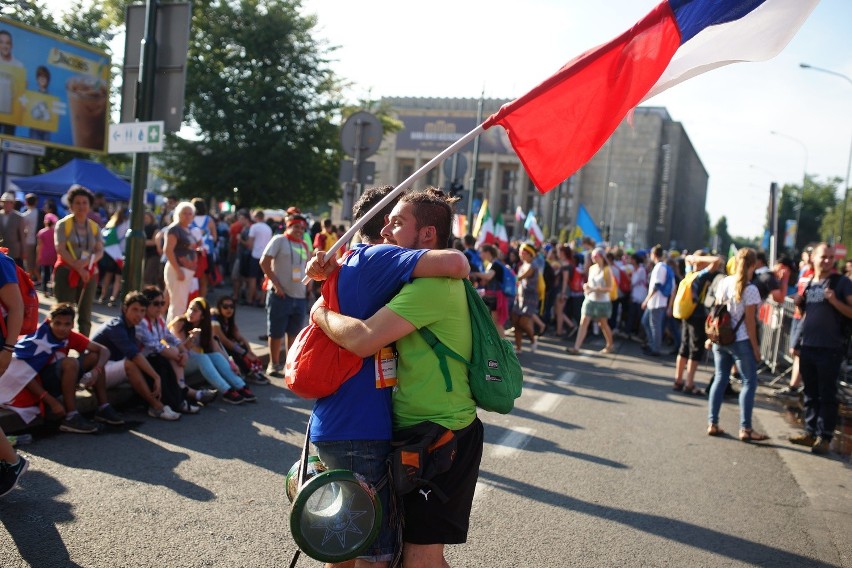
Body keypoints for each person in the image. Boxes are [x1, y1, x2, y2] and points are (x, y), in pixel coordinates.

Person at [313, 188, 482, 568]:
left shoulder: (430, 287)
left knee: (417, 558)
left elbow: (362, 339)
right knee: (378, 549)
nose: (385, 228)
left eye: (398, 221)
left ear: (426, 236)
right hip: (414, 432)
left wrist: (319, 311)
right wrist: (328, 267)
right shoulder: (409, 278)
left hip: (441, 434)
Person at [2, 303, 121, 434]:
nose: (62, 328)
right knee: (70, 363)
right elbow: (22, 374)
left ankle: (103, 407)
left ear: (72, 325)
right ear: (49, 321)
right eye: (57, 323)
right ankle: (71, 416)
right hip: (38, 384)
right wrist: (51, 401)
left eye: (67, 324)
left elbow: (104, 350)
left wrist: (96, 371)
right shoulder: (37, 340)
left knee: (94, 356)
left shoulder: (70, 336)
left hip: (57, 378)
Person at [788, 243, 852, 455]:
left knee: (827, 394)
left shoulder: (841, 283)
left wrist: (834, 301)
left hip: (830, 348)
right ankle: (810, 432)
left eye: (831, 257)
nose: (827, 261)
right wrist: (798, 303)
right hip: (809, 347)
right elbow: (807, 314)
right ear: (813, 258)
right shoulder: (811, 283)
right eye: (824, 257)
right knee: (810, 393)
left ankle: (824, 437)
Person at [706, 248, 769, 442]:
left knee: (720, 378)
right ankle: (746, 428)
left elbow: (716, 311)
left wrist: (710, 337)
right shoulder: (750, 289)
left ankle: (713, 423)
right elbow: (750, 323)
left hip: (721, 338)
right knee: (749, 382)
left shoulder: (724, 282)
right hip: (740, 341)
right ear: (753, 265)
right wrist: (756, 349)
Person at [91, 292, 182, 421]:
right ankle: (157, 406)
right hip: (96, 374)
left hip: (111, 368)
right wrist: (156, 377)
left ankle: (175, 400)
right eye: (134, 309)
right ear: (124, 309)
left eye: (142, 311)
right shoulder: (117, 326)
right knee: (132, 364)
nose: (138, 314)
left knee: (153, 360)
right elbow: (135, 355)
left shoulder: (131, 326)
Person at [137, 286, 216, 413]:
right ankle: (182, 397)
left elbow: (170, 337)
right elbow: (154, 346)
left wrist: (183, 352)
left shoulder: (158, 319)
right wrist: (180, 353)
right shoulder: (142, 322)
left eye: (162, 303)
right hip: (142, 360)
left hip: (156, 357)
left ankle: (233, 388)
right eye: (156, 304)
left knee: (178, 353)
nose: (160, 307)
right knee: (173, 356)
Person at [170, 296, 255, 405]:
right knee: (203, 358)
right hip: (177, 363)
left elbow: (217, 348)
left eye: (195, 310)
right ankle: (226, 390)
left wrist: (231, 363)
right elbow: (181, 350)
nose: (191, 312)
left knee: (216, 356)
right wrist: (191, 339)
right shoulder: (180, 323)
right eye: (190, 308)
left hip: (191, 361)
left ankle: (241, 386)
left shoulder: (206, 327)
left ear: (202, 316)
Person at [259, 212, 309, 377]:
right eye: (296, 226)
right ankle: (273, 364)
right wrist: (275, 284)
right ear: (289, 226)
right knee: (276, 332)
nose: (299, 230)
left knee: (294, 333)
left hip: (299, 296)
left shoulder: (303, 245)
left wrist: (309, 289)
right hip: (280, 295)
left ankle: (289, 365)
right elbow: (264, 262)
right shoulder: (279, 240)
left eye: (302, 228)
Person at [53, 185, 103, 336]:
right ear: (71, 205)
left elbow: (100, 250)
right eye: (77, 203)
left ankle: (83, 348)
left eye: (84, 202)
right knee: (64, 312)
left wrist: (86, 263)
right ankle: (59, 347)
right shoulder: (63, 224)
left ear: (90, 205)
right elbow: (60, 248)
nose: (81, 206)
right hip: (67, 271)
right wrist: (77, 267)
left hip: (89, 273)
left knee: (86, 313)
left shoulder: (94, 227)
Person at [672, 252, 721, 395]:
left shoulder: (690, 273)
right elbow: (717, 260)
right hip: (698, 315)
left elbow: (687, 259)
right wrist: (702, 259)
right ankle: (689, 383)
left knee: (684, 346)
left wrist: (694, 259)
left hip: (686, 313)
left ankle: (678, 380)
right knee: (695, 349)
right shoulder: (702, 275)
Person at [0, 249, 27, 496]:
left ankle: (13, 462)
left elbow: (16, 307)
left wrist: (8, 349)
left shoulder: (0, 261)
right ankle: (10, 461)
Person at [211, 295, 269, 385]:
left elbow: (239, 337)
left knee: (240, 345)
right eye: (225, 307)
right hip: (211, 349)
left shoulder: (229, 320)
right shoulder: (214, 320)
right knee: (235, 349)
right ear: (219, 307)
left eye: (231, 307)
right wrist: (244, 353)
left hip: (221, 348)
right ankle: (248, 373)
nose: (229, 309)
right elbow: (224, 341)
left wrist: (249, 351)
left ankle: (250, 371)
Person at [567, 247, 615, 354]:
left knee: (602, 324)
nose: (593, 258)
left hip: (602, 301)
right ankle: (576, 347)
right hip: (590, 298)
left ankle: (610, 344)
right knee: (583, 321)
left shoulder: (607, 270)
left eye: (595, 256)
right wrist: (586, 286)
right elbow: (589, 282)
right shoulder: (592, 268)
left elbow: (610, 288)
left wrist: (595, 289)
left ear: (602, 257)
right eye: (592, 256)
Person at [163, 201, 199, 323]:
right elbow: (168, 250)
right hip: (178, 269)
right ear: (178, 214)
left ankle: (172, 332)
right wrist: (178, 270)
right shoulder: (174, 229)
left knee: (180, 303)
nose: (187, 216)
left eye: (190, 213)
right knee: (178, 305)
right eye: (185, 213)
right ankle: (174, 332)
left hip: (186, 270)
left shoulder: (186, 229)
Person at [471, 243, 509, 329]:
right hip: (493, 297)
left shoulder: (495, 264)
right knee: (495, 324)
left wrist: (475, 273)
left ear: (487, 252)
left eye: (481, 252)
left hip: (496, 298)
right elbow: (486, 280)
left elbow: (488, 276)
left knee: (497, 324)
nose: (480, 255)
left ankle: (503, 342)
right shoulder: (491, 264)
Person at [640, 245, 669, 357]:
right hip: (655, 301)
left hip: (657, 302)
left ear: (654, 254)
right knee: (646, 322)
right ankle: (652, 344)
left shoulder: (659, 267)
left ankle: (655, 348)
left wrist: (646, 300)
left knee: (654, 325)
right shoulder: (660, 266)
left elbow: (657, 286)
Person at [97, 207, 129, 307]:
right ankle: (113, 298)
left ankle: (103, 296)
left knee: (108, 275)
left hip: (110, 253)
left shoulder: (111, 223)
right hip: (121, 254)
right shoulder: (127, 224)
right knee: (118, 277)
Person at [242, 209, 272, 307]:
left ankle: (250, 299)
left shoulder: (254, 227)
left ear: (256, 217)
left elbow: (249, 244)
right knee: (263, 280)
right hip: (265, 256)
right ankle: (262, 301)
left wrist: (241, 240)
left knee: (253, 279)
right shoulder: (268, 228)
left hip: (255, 255)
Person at [190, 198, 218, 298]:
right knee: (203, 279)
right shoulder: (209, 220)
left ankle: (194, 300)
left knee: (193, 278)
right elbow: (215, 238)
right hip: (206, 253)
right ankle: (201, 301)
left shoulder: (190, 219)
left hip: (193, 253)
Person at [0, 191, 26, 267]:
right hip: (1, 250)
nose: (6, 204)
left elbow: (22, 235)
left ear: (12, 204)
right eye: (4, 202)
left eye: (8, 202)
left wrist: (23, 251)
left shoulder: (19, 217)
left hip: (14, 251)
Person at [36, 213, 58, 295]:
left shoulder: (41, 232)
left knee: (45, 273)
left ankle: (45, 290)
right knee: (53, 273)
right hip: (54, 255)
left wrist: (38, 256)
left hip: (44, 255)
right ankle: (53, 290)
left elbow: (39, 245)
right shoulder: (55, 232)